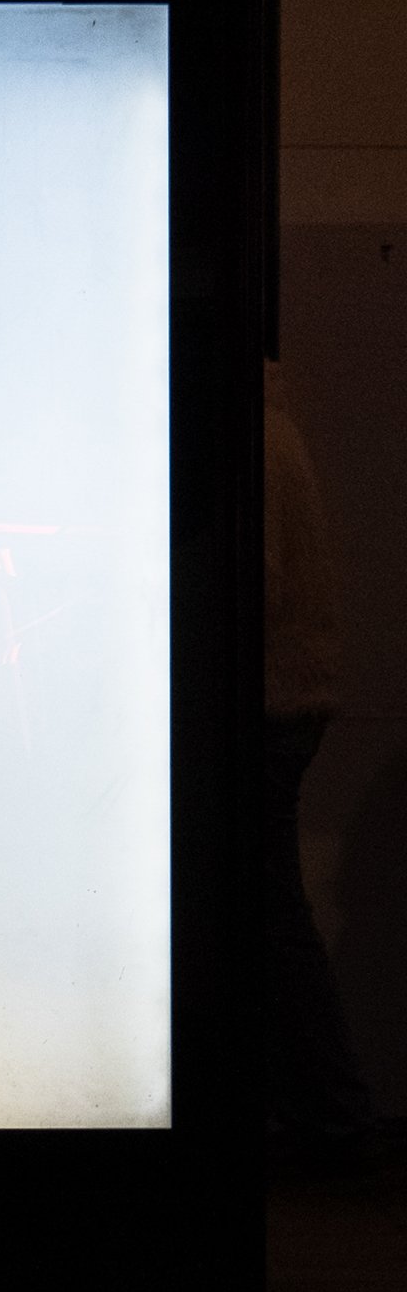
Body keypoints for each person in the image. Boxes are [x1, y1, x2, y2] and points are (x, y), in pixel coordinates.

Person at [263, 358, 373, 1165]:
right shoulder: (273, 426)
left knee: (268, 917)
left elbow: (250, 580)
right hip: (288, 703)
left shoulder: (250, 438)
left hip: (267, 707)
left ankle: (332, 1117)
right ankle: (326, 1115)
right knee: (270, 916)